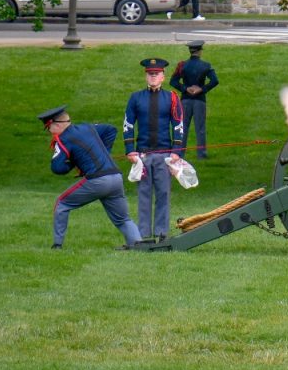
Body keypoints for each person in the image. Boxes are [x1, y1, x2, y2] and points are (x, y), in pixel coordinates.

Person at [37, 105, 142, 250]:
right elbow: (110, 130)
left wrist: (73, 161)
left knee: (61, 204)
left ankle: (57, 245)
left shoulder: (63, 139)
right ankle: (138, 246)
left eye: (48, 128)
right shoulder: (88, 127)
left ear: (55, 125)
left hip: (98, 181)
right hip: (116, 177)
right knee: (123, 219)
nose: (49, 132)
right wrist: (104, 152)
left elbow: (57, 168)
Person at [124, 58, 184, 240]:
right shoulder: (135, 98)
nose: (153, 77)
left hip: (165, 154)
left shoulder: (172, 98)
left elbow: (178, 124)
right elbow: (127, 124)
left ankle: (161, 233)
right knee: (144, 195)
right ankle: (143, 234)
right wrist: (130, 150)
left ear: (163, 77)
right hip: (142, 155)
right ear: (146, 77)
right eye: (150, 74)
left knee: (163, 194)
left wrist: (176, 150)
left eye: (156, 74)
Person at [170, 40, 220, 159]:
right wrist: (202, 89)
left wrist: (185, 88)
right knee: (200, 128)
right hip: (199, 100)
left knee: (183, 127)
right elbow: (214, 81)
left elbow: (173, 81)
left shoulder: (182, 65)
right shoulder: (206, 65)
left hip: (185, 100)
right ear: (200, 51)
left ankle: (180, 153)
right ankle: (201, 154)